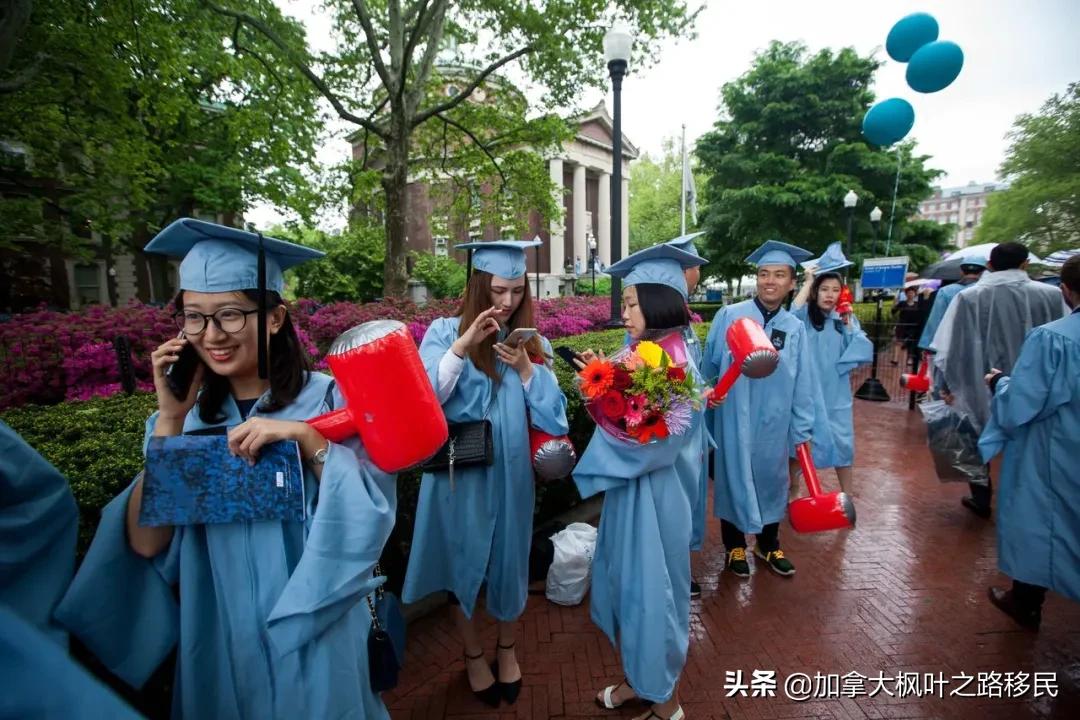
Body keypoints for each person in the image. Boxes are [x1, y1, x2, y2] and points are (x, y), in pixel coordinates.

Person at [55, 219, 398, 719]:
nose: (211, 335)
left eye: (230, 315)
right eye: (194, 318)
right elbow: (148, 543)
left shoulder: (330, 401)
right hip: (219, 630)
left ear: (275, 318)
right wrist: (170, 420)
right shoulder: (186, 421)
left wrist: (308, 439)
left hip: (317, 624)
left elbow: (371, 514)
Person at [403, 240, 569, 708]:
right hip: (459, 475)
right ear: (478, 287)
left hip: (513, 479)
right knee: (459, 564)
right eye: (498, 290)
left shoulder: (532, 342)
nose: (508, 301)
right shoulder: (442, 333)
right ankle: (473, 654)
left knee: (511, 563)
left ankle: (507, 647)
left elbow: (556, 419)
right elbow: (425, 401)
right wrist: (464, 345)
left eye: (517, 291)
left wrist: (527, 371)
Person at [573, 243, 708, 720]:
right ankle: (639, 679)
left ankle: (666, 701)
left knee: (654, 593)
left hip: (656, 498)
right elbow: (622, 415)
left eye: (631, 303)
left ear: (657, 301)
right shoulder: (642, 351)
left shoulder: (673, 363)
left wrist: (607, 408)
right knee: (630, 585)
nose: (624, 313)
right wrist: (601, 385)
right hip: (634, 492)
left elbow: (656, 444)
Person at [977, 254, 1080, 629]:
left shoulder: (1053, 338)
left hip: (1056, 452)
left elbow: (1022, 403)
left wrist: (999, 382)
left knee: (1041, 521)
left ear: (1065, 291)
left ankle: (1026, 601)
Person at [703, 240, 816, 579]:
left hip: (773, 421)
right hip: (733, 417)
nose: (770, 281)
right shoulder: (730, 316)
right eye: (764, 273)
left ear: (792, 283)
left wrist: (802, 427)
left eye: (779, 275)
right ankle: (734, 546)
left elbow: (803, 381)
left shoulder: (794, 328)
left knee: (771, 480)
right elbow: (710, 366)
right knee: (731, 478)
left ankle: (768, 544)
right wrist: (708, 399)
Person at [931, 241, 1067, 518]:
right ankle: (1029, 501)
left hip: (978, 380)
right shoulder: (1052, 295)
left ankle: (981, 496)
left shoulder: (968, 297)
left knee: (975, 433)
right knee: (1030, 439)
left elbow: (952, 346)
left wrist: (945, 384)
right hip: (1035, 382)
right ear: (1026, 263)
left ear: (990, 265)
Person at [790, 243, 873, 496]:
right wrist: (807, 282)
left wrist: (848, 323)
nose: (830, 295)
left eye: (836, 290)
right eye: (824, 289)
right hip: (807, 391)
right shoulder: (805, 318)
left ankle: (847, 493)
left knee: (843, 443)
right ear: (815, 291)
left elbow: (861, 348)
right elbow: (792, 312)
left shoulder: (844, 318)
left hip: (836, 393)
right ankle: (794, 490)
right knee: (800, 442)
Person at [664, 231, 712, 598]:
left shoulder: (686, 324)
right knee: (672, 507)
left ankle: (682, 569)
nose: (695, 275)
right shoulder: (657, 329)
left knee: (689, 504)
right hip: (671, 442)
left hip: (693, 436)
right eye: (691, 268)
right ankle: (673, 573)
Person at [917, 256, 987, 352]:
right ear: (983, 272)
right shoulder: (989, 291)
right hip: (980, 344)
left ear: (961, 271)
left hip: (948, 343)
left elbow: (936, 319)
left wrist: (928, 345)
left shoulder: (945, 291)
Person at [889, 286, 929, 366]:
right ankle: (895, 360)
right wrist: (894, 304)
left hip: (912, 326)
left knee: (911, 344)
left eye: (912, 293)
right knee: (898, 342)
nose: (910, 294)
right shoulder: (902, 303)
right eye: (908, 293)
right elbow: (893, 312)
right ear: (906, 294)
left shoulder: (918, 304)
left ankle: (909, 360)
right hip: (902, 325)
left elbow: (922, 314)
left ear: (915, 294)